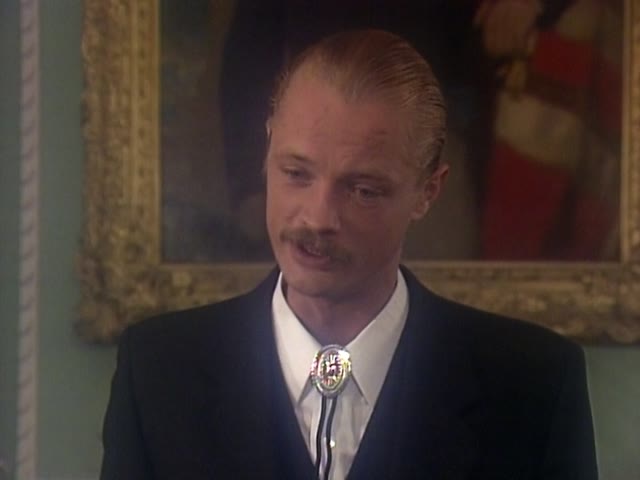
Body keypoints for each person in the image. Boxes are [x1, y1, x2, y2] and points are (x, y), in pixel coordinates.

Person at [100, 29, 598, 479]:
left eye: (363, 190)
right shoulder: (158, 372)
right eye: (296, 173)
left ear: (428, 190)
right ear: (267, 148)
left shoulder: (534, 384)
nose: (318, 218)